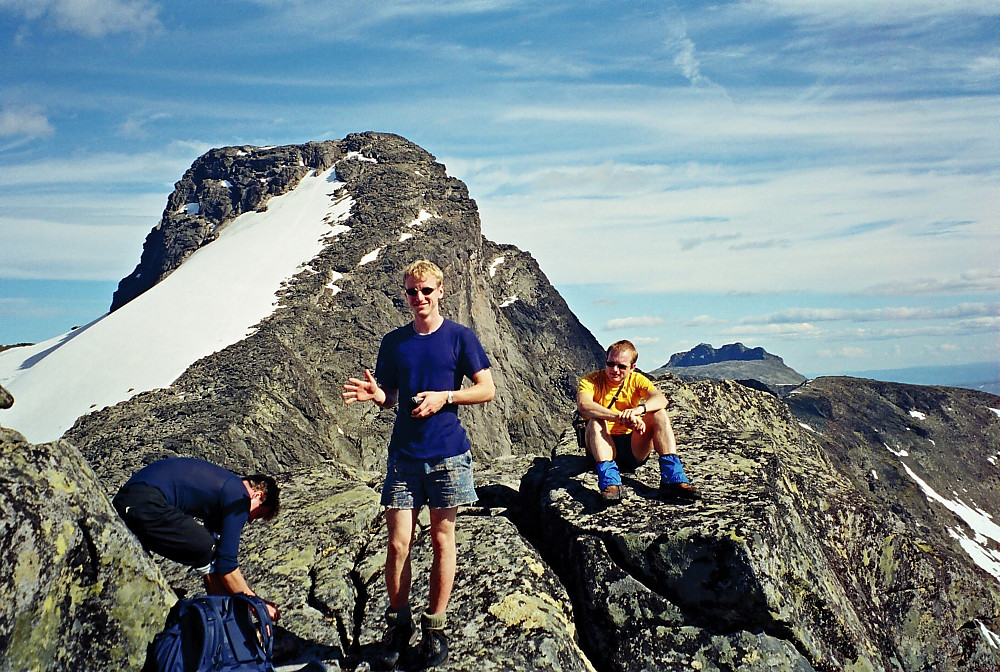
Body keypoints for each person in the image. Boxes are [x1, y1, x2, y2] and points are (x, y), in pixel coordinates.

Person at [342, 259, 495, 669]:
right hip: (404, 457)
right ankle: (398, 624)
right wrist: (378, 396)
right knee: (397, 544)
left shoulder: (461, 337)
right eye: (412, 291)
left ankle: (436, 627)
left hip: (447, 455)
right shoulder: (394, 343)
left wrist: (445, 396)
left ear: (441, 291)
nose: (419, 298)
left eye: (426, 290)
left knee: (443, 541)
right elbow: (392, 395)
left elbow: (486, 389)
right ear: (405, 294)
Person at [112, 456, 281, 621]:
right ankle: (222, 619)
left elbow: (215, 562)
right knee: (206, 547)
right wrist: (258, 605)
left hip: (131, 501)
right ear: (257, 495)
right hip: (144, 503)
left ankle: (222, 618)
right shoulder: (239, 497)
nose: (250, 520)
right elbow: (226, 565)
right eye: (258, 515)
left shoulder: (224, 489)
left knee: (206, 549)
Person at [577, 339, 699, 504]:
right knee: (595, 422)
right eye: (610, 364)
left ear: (632, 368)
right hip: (601, 447)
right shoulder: (590, 381)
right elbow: (585, 405)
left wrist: (638, 411)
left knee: (659, 414)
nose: (614, 370)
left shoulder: (637, 380)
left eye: (621, 366)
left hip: (633, 448)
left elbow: (660, 399)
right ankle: (611, 482)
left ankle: (673, 478)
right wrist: (621, 417)